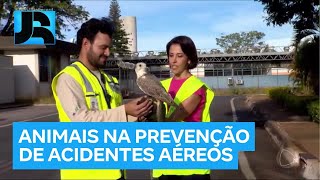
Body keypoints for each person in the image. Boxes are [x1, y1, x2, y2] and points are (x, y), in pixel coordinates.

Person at [51, 18, 153, 180]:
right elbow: (81, 122)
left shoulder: (110, 80)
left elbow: (116, 120)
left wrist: (138, 114)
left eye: (109, 48)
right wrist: (125, 110)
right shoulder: (69, 78)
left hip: (116, 171)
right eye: (103, 47)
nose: (107, 53)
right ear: (86, 44)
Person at [152, 36, 215, 180]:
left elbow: (174, 118)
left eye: (179, 56)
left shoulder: (197, 87)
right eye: (171, 55)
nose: (173, 61)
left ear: (189, 59)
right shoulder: (163, 85)